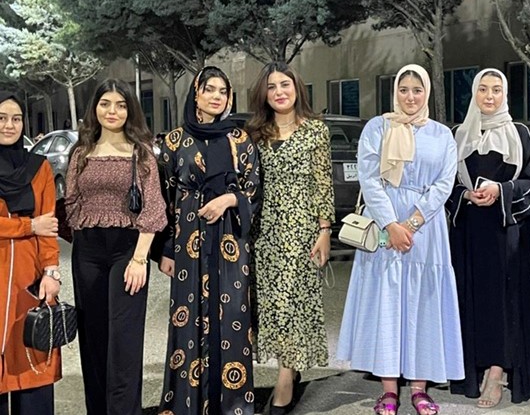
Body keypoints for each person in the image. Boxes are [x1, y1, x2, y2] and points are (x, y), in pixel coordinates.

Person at [337, 64, 463, 415]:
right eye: (404, 89)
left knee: (424, 302)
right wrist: (392, 224)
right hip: (384, 224)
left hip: (427, 227)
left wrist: (412, 222)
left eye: (417, 90)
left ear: (427, 93)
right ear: (395, 92)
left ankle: (420, 388)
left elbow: (444, 183)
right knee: (387, 302)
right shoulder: (378, 127)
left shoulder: (441, 134)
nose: (410, 96)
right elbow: (369, 178)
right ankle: (389, 389)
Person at [156, 66, 262, 415]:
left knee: (232, 316)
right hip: (188, 242)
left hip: (230, 243)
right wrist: (167, 249)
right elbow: (164, 199)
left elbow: (254, 189)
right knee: (188, 320)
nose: (217, 96)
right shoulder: (174, 142)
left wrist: (229, 199)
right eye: (210, 89)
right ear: (196, 93)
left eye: (223, 91)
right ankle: (186, 405)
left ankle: (232, 406)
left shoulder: (239, 140)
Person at [64, 79, 167, 415]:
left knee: (124, 341)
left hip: (128, 250)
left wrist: (139, 259)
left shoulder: (141, 152)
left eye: (121, 105)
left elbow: (154, 208)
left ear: (130, 110)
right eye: (105, 104)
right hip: (88, 250)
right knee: (93, 338)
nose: (113, 111)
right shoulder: (81, 152)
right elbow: (71, 202)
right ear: (94, 108)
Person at [446, 68, 530, 408]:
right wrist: (465, 195)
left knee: (504, 302)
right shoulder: (458, 134)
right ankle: (474, 370)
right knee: (473, 300)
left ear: (505, 94)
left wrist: (500, 190)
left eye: (496, 90)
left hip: (507, 233)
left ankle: (497, 373)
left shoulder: (520, 134)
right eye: (483, 89)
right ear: (474, 93)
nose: (489, 96)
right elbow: (445, 185)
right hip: (470, 233)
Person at [246, 61, 334, 415]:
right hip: (264, 231)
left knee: (291, 304)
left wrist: (325, 231)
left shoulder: (316, 130)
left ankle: (285, 380)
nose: (279, 92)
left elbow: (322, 182)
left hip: (301, 231)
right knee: (270, 307)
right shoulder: (255, 133)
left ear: (297, 88)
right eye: (272, 86)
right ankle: (289, 365)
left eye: (285, 84)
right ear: (264, 94)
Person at [0, 92, 61, 415]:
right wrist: (27, 225)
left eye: (16, 119)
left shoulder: (39, 167)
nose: (9, 125)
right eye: (1, 118)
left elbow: (48, 224)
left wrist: (51, 272)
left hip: (29, 279)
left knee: (31, 362)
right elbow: (37, 223)